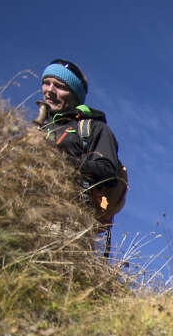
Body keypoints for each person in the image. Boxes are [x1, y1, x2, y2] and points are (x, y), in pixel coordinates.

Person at [35, 60, 126, 235]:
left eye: (59, 86)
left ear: (75, 94)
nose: (50, 91)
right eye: (46, 83)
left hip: (65, 220)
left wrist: (58, 160)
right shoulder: (40, 129)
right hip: (22, 210)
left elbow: (107, 172)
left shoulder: (93, 128)